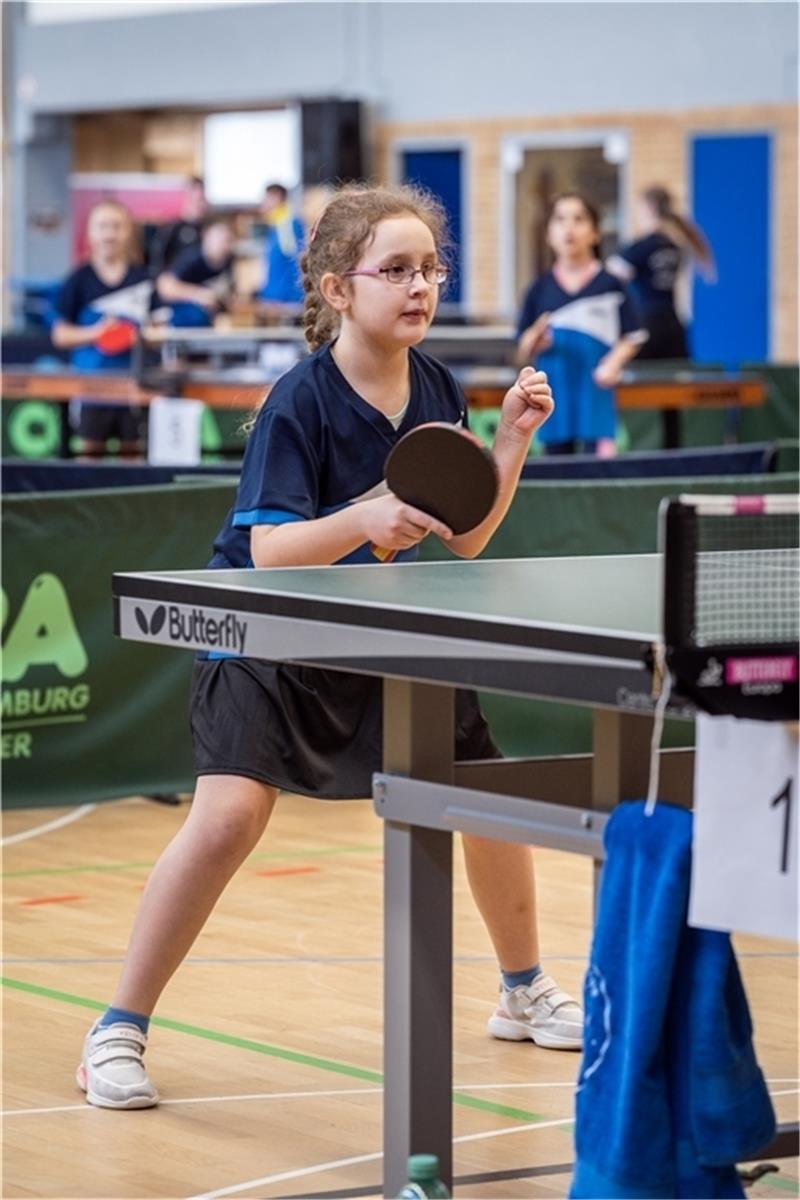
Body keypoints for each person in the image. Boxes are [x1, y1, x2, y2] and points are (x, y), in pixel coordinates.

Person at [77, 183, 583, 1111]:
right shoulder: (298, 402)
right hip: (262, 633)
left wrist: (509, 440)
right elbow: (270, 549)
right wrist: (366, 516)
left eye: (430, 269)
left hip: (376, 629)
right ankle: (118, 1027)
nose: (419, 286)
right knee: (227, 818)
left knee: (485, 799)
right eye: (396, 270)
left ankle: (523, 991)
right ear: (339, 289)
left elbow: (463, 535)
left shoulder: (434, 386)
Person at [516, 191, 646, 456]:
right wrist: (534, 342)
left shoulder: (612, 285)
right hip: (553, 402)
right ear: (548, 233)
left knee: (597, 474)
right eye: (560, 219)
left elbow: (634, 336)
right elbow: (522, 346)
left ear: (596, 233)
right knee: (557, 473)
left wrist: (614, 363)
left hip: (596, 399)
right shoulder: (539, 290)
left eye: (579, 219)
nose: (569, 228)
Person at [51, 199, 152, 457]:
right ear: (91, 233)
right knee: (90, 455)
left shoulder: (143, 279)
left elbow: (157, 331)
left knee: (133, 457)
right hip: (90, 389)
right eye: (103, 226)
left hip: (133, 388)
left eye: (117, 226)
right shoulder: (78, 280)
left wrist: (142, 336)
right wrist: (98, 333)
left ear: (128, 231)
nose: (110, 233)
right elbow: (60, 335)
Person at [606, 185, 714, 361]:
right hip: (673, 325)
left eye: (638, 209)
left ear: (650, 208)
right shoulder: (674, 246)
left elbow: (609, 275)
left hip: (647, 325)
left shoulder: (643, 247)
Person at [156, 214, 236, 327]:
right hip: (182, 315)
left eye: (228, 240)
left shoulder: (228, 261)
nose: (224, 246)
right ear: (206, 237)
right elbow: (165, 287)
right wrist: (199, 294)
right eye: (220, 239)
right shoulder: (192, 257)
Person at [257, 182, 305, 309]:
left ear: (277, 197)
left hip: (284, 301)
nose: (263, 203)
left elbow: (294, 262)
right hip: (275, 298)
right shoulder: (277, 224)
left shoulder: (287, 224)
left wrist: (285, 298)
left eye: (266, 198)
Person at [148, 176, 208, 276]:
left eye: (202, 199)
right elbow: (157, 264)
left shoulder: (209, 230)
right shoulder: (172, 229)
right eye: (197, 199)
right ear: (187, 196)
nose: (200, 204)